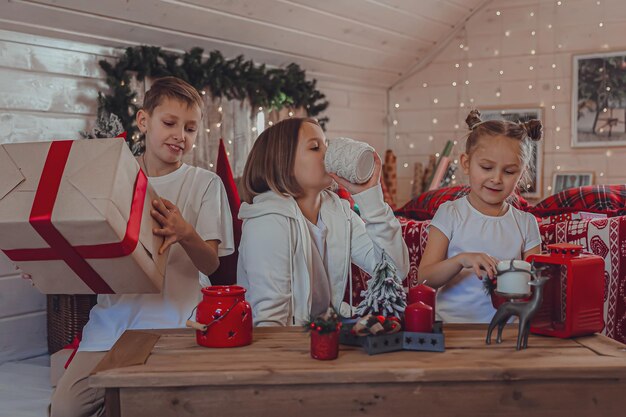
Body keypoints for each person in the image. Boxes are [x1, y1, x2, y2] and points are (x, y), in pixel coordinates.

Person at [51, 76, 234, 417]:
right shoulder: (112, 177)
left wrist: (184, 232)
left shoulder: (204, 183)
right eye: (170, 123)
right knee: (64, 408)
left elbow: (210, 265)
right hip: (114, 322)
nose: (181, 135)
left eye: (191, 129)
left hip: (177, 321)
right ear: (144, 120)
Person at [237, 117, 409, 326]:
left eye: (326, 145)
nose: (327, 153)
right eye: (315, 147)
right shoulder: (267, 222)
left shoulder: (338, 210)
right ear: (283, 162)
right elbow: (270, 321)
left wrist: (370, 198)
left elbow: (394, 271)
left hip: (326, 333)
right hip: (290, 345)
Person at [418, 109, 543, 323]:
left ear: (521, 174)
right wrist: (461, 260)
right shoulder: (450, 214)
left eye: (509, 171)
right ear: (466, 163)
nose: (496, 179)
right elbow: (425, 279)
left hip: (507, 332)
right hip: (451, 329)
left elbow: (533, 287)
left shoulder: (526, 223)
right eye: (486, 167)